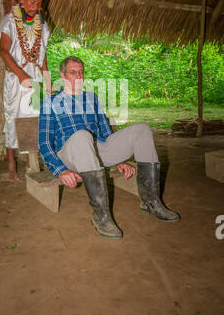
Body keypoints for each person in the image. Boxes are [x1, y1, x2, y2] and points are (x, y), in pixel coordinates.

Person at [38, 56, 180, 240]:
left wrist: (118, 159)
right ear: (63, 75)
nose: (79, 76)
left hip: (96, 151)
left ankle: (151, 201)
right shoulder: (50, 103)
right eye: (73, 72)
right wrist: (60, 170)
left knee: (142, 129)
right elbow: (44, 143)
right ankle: (101, 216)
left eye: (81, 72)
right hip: (70, 155)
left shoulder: (92, 99)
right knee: (82, 135)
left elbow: (105, 132)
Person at [0, 0, 53, 181]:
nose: (36, 3)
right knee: (14, 118)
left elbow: (42, 55)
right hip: (16, 79)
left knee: (39, 116)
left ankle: (36, 161)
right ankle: (12, 167)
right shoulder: (9, 21)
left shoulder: (42, 23)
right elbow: (3, 51)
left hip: (37, 78)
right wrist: (21, 75)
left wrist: (47, 79)